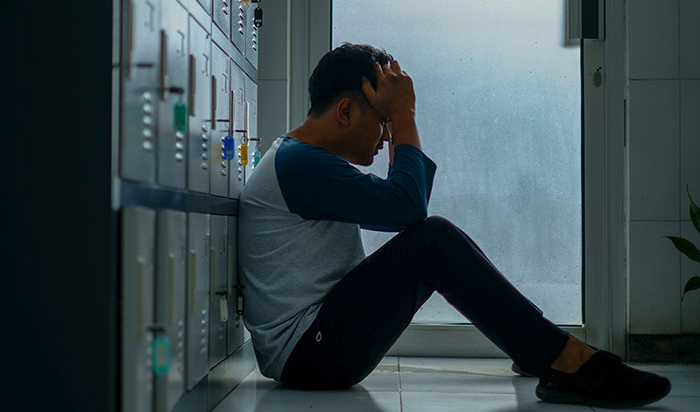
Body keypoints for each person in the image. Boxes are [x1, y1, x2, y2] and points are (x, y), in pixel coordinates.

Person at [237, 43, 671, 408]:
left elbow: (403, 204)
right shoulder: (300, 164)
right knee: (432, 241)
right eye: (383, 120)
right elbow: (408, 209)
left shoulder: (301, 158)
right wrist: (406, 112)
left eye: (391, 123)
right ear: (347, 111)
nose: (388, 135)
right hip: (309, 355)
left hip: (312, 347)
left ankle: (536, 348)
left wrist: (397, 119)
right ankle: (560, 359)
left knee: (432, 240)